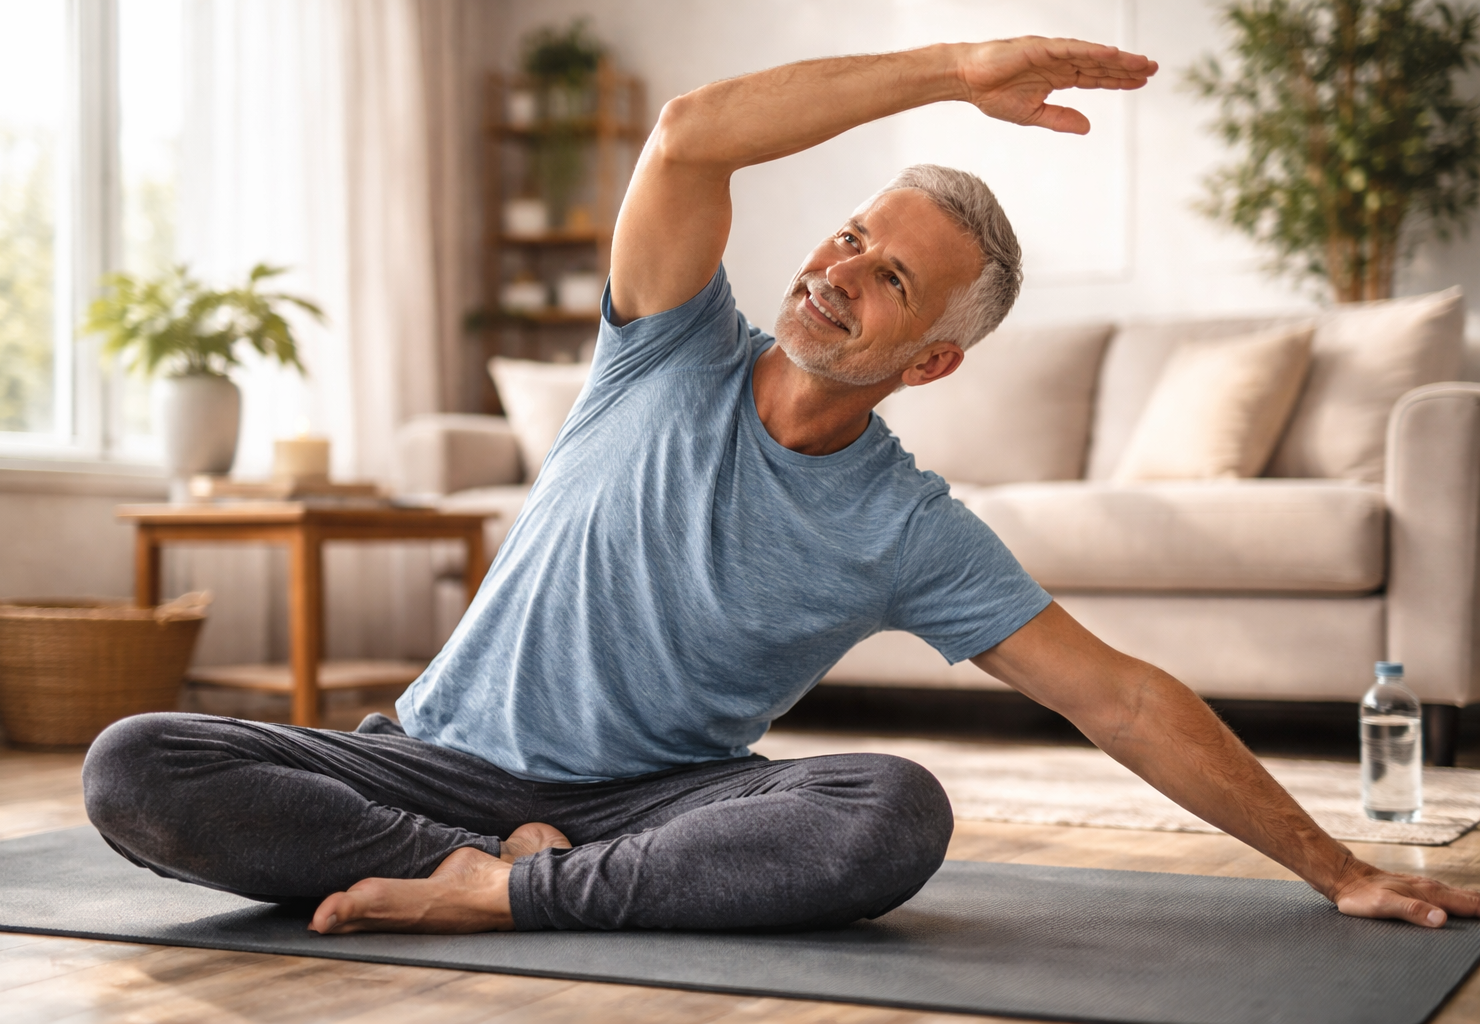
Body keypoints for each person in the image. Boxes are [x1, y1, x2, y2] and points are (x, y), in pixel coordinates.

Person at [85, 35, 1480, 937]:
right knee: (137, 763)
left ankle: (513, 891)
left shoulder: (906, 524)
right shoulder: (666, 347)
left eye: (888, 278)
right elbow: (692, 135)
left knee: (891, 810)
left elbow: (1115, 695)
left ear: (930, 359)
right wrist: (954, 69)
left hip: (653, 803)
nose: (838, 272)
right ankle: (480, 872)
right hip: (423, 762)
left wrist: (1335, 865)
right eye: (850, 236)